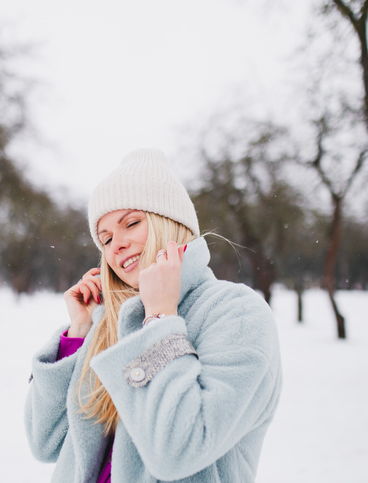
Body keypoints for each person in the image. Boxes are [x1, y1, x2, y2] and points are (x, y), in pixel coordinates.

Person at [25, 148, 282, 482]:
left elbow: (178, 451)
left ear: (171, 223)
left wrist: (160, 319)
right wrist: (78, 333)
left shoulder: (236, 313)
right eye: (105, 239)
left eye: (131, 223)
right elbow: (45, 442)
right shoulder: (110, 323)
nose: (115, 245)